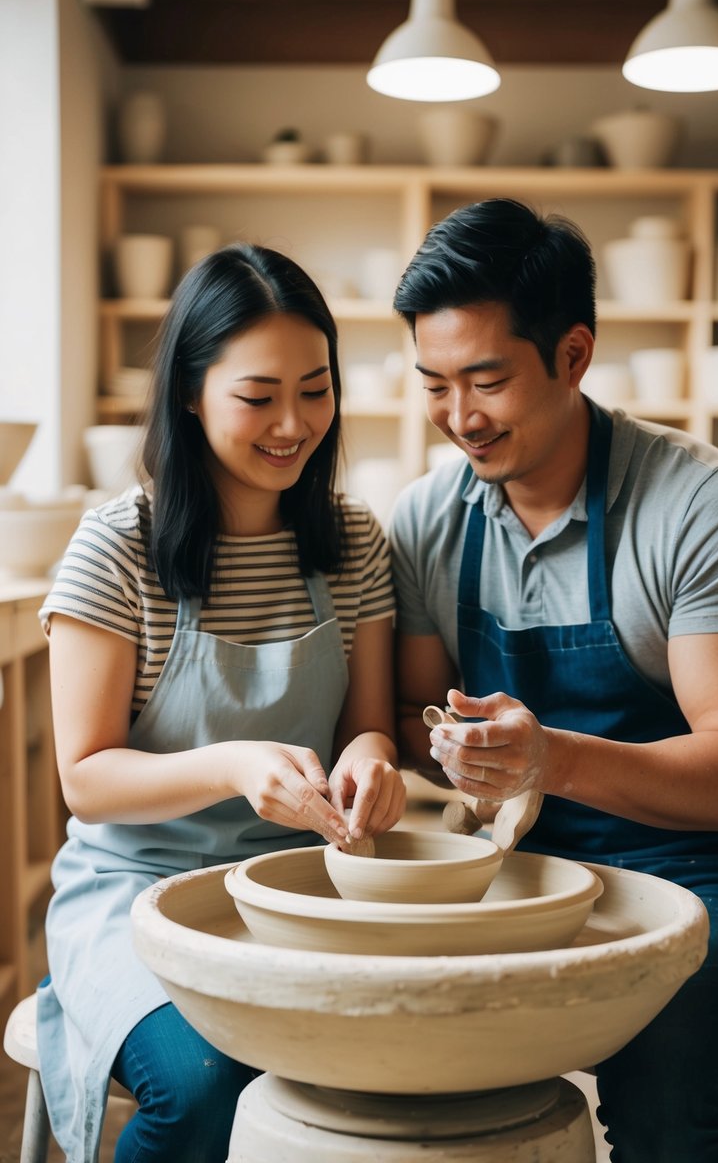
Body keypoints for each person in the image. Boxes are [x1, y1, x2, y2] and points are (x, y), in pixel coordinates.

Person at [388, 197, 718, 1162]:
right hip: (520, 870)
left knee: (659, 1094)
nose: (459, 418)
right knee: (406, 1052)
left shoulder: (701, 506)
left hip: (715, 878)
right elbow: (408, 717)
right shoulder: (425, 517)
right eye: (434, 384)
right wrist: (450, 744)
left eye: (486, 380)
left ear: (573, 355)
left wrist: (550, 759)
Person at [37, 243, 406, 1163]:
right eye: (258, 396)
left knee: (414, 1066)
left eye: (315, 390)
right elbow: (85, 780)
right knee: (204, 1085)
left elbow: (369, 723)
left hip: (298, 890)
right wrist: (237, 764)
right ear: (190, 394)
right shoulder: (115, 549)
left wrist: (372, 762)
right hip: (132, 897)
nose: (293, 423)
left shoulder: (352, 539)